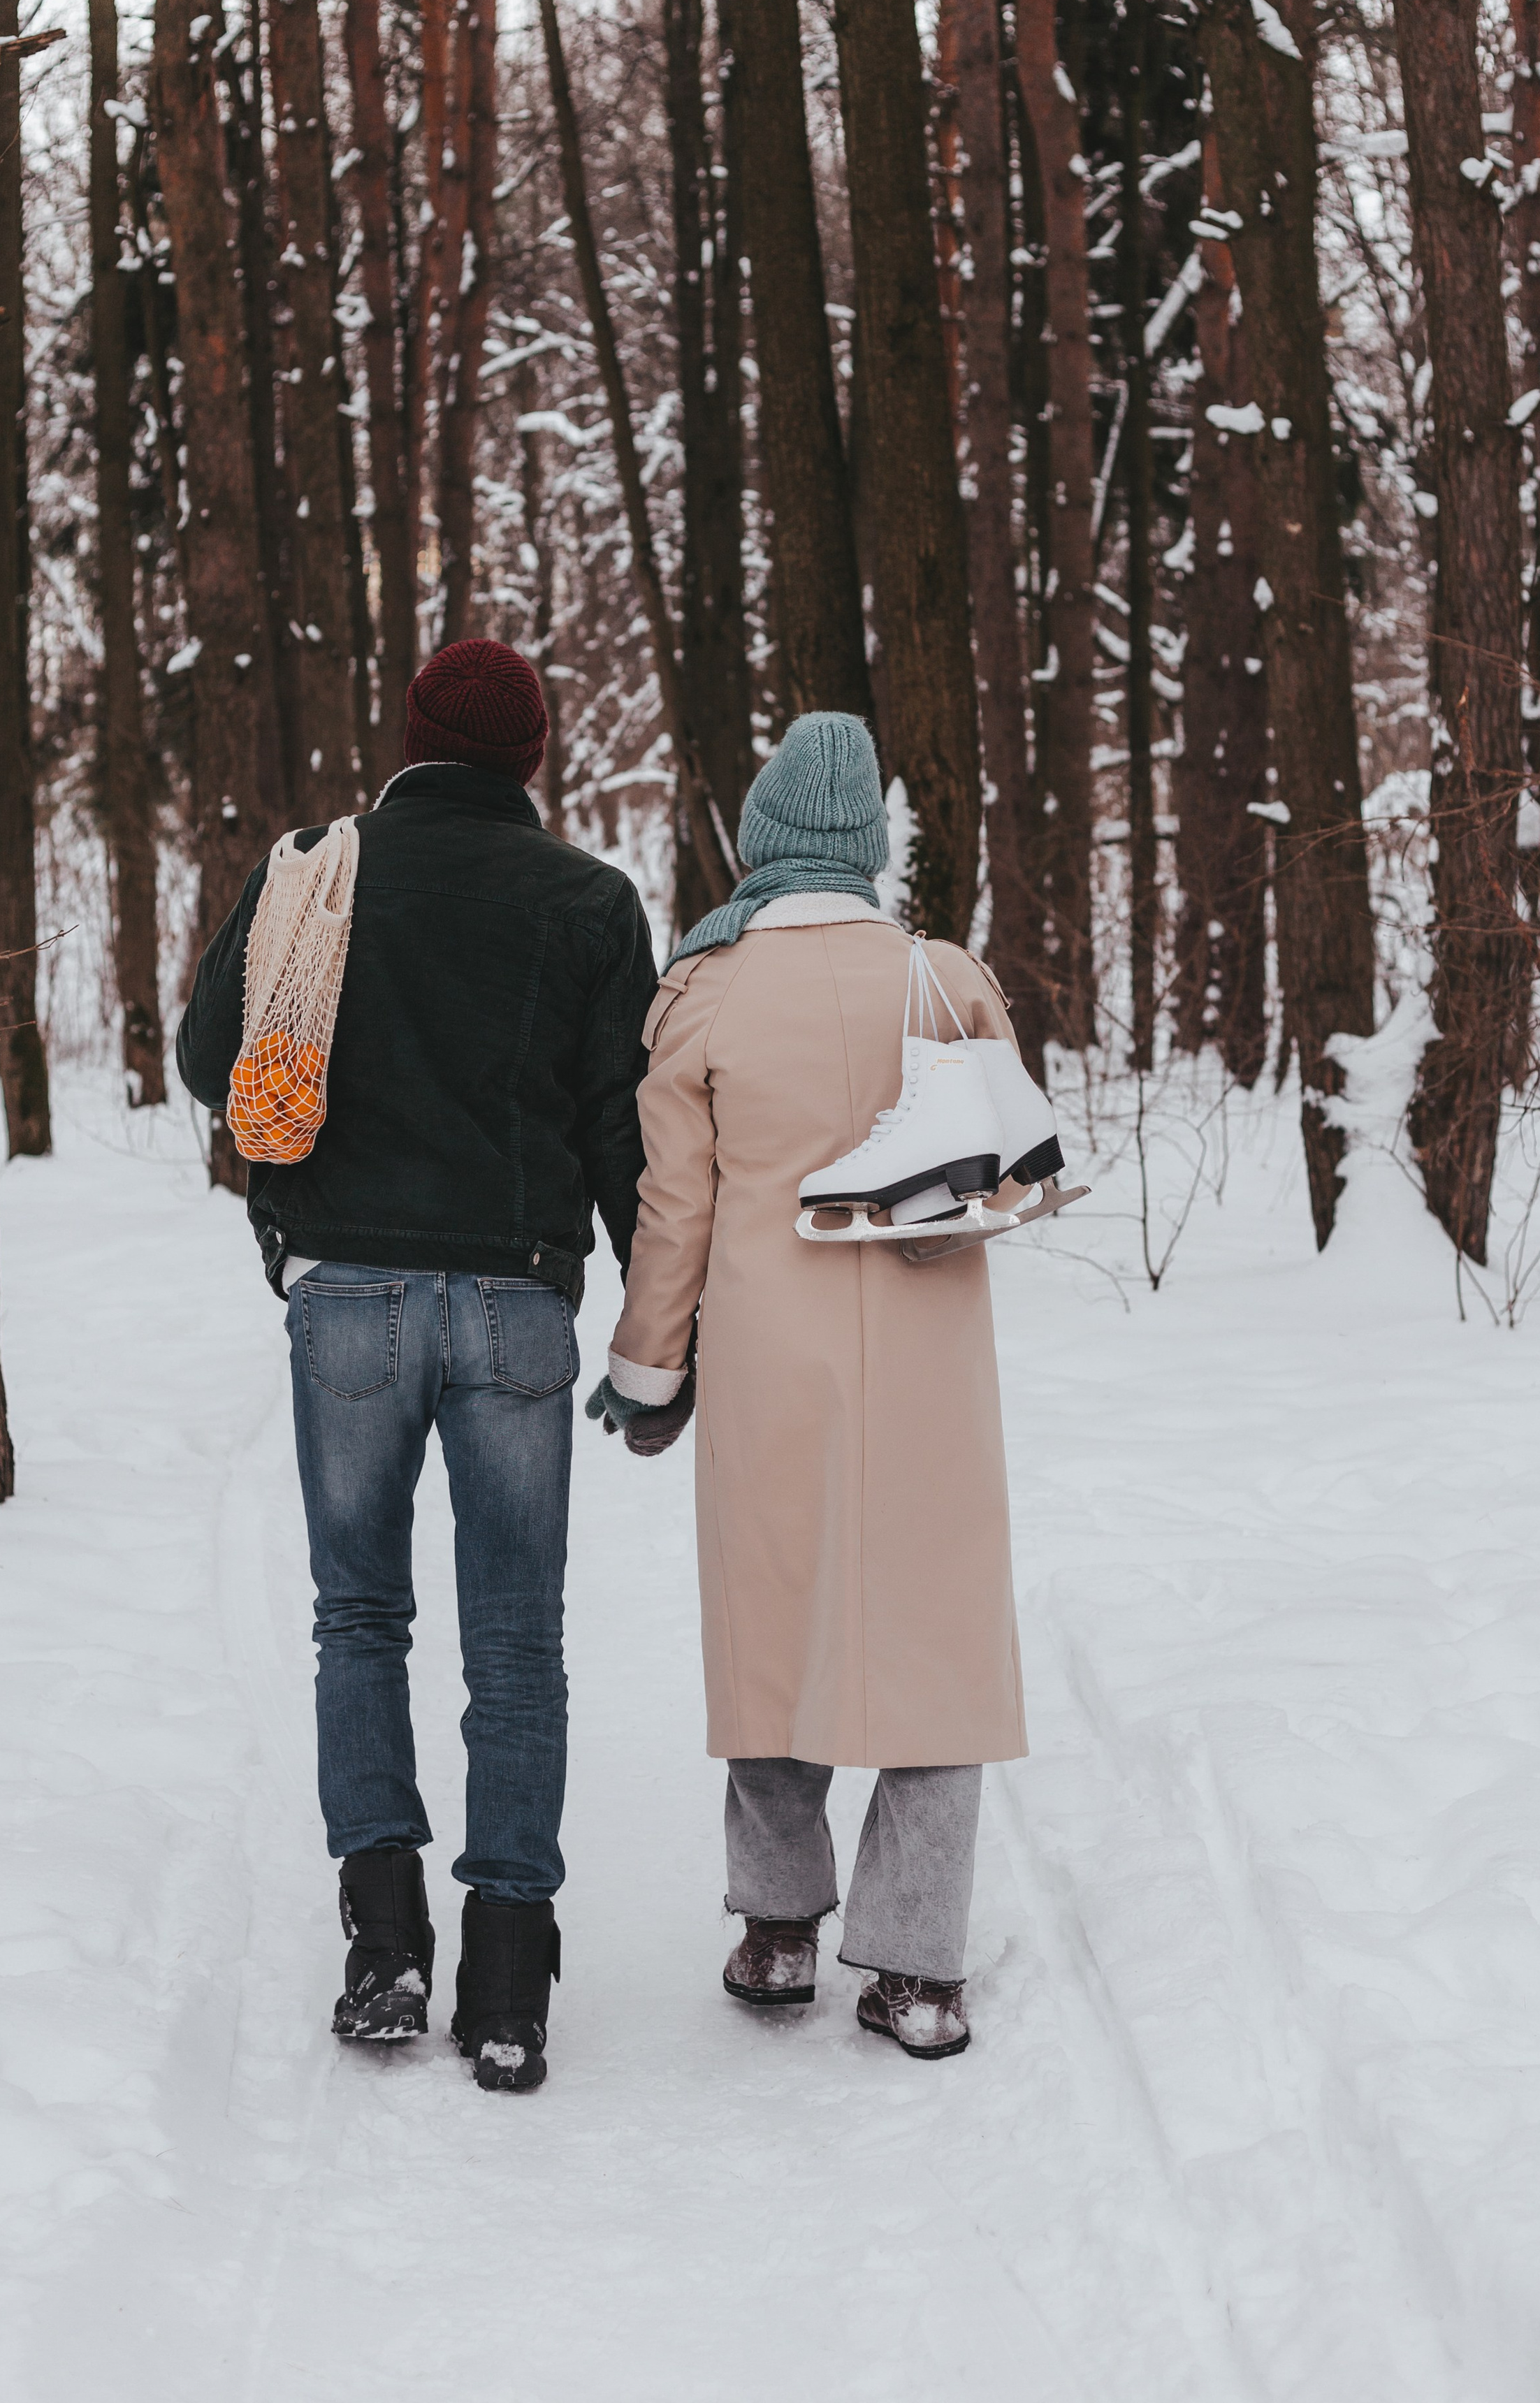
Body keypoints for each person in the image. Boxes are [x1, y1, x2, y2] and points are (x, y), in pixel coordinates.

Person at [177, 639, 657, 2092]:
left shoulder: (316, 871)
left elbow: (215, 1060)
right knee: (517, 1646)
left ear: (406, 737)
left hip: (348, 1300)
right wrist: (663, 1327)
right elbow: (620, 1132)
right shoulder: (588, 902)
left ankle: (383, 1944)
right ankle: (507, 1981)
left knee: (358, 1621)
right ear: (536, 757)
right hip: (515, 1301)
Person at [588, 712, 1028, 2059]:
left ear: (762, 842)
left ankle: (780, 1933)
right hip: (928, 1371)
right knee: (934, 1640)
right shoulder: (944, 979)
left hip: (773, 1367)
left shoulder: (706, 991)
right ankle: (918, 1969)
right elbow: (1010, 1155)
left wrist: (651, 1371)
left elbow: (676, 1213)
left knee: (774, 1627)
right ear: (869, 850)